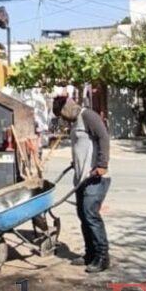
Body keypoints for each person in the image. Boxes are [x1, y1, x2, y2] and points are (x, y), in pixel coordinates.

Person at [58, 98, 112, 273]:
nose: (63, 119)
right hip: (81, 178)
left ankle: (102, 257)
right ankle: (90, 254)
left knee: (91, 214)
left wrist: (102, 164)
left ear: (68, 108)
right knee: (83, 215)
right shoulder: (75, 122)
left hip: (95, 177)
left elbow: (103, 137)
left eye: (62, 114)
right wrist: (76, 162)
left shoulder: (88, 116)